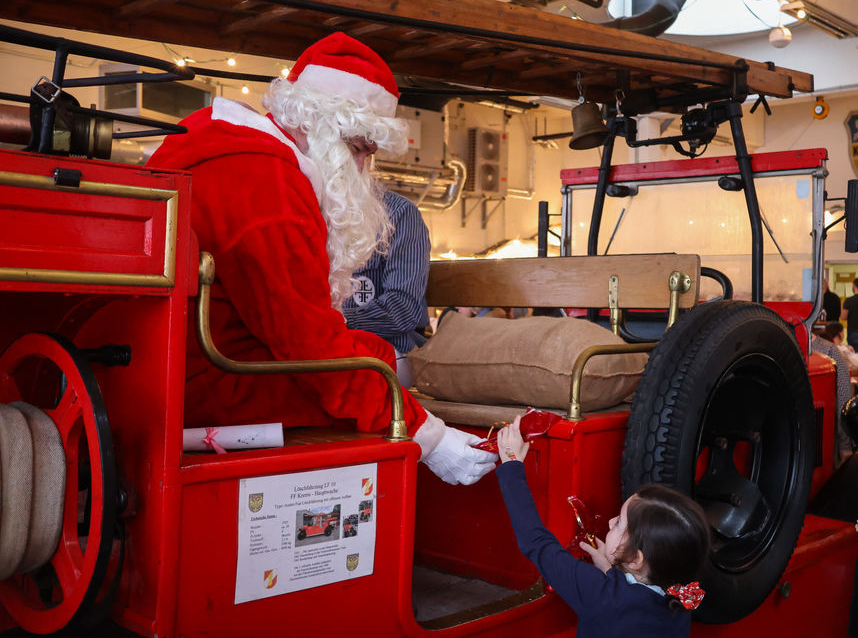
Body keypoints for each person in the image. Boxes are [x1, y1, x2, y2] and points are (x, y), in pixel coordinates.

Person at [147, 33, 495, 485]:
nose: (363, 169)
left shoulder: (222, 146)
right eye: (359, 150)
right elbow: (309, 345)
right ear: (324, 125)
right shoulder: (268, 185)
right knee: (377, 373)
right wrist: (428, 435)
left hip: (162, 367)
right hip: (202, 385)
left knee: (372, 357)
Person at [494, 415, 711, 637]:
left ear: (636, 559)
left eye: (619, 524)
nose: (610, 522)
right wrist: (611, 569)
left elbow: (536, 542)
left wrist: (511, 464)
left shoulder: (599, 592)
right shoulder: (680, 599)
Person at [343, 190, 430, 388]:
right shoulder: (312, 210)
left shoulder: (399, 213)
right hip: (327, 340)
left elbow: (401, 310)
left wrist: (337, 321)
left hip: (391, 347)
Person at [812, 325, 853, 462]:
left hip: (821, 440)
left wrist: (845, 444)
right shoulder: (828, 349)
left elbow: (843, 398)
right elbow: (844, 398)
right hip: (820, 440)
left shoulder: (829, 350)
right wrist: (845, 445)